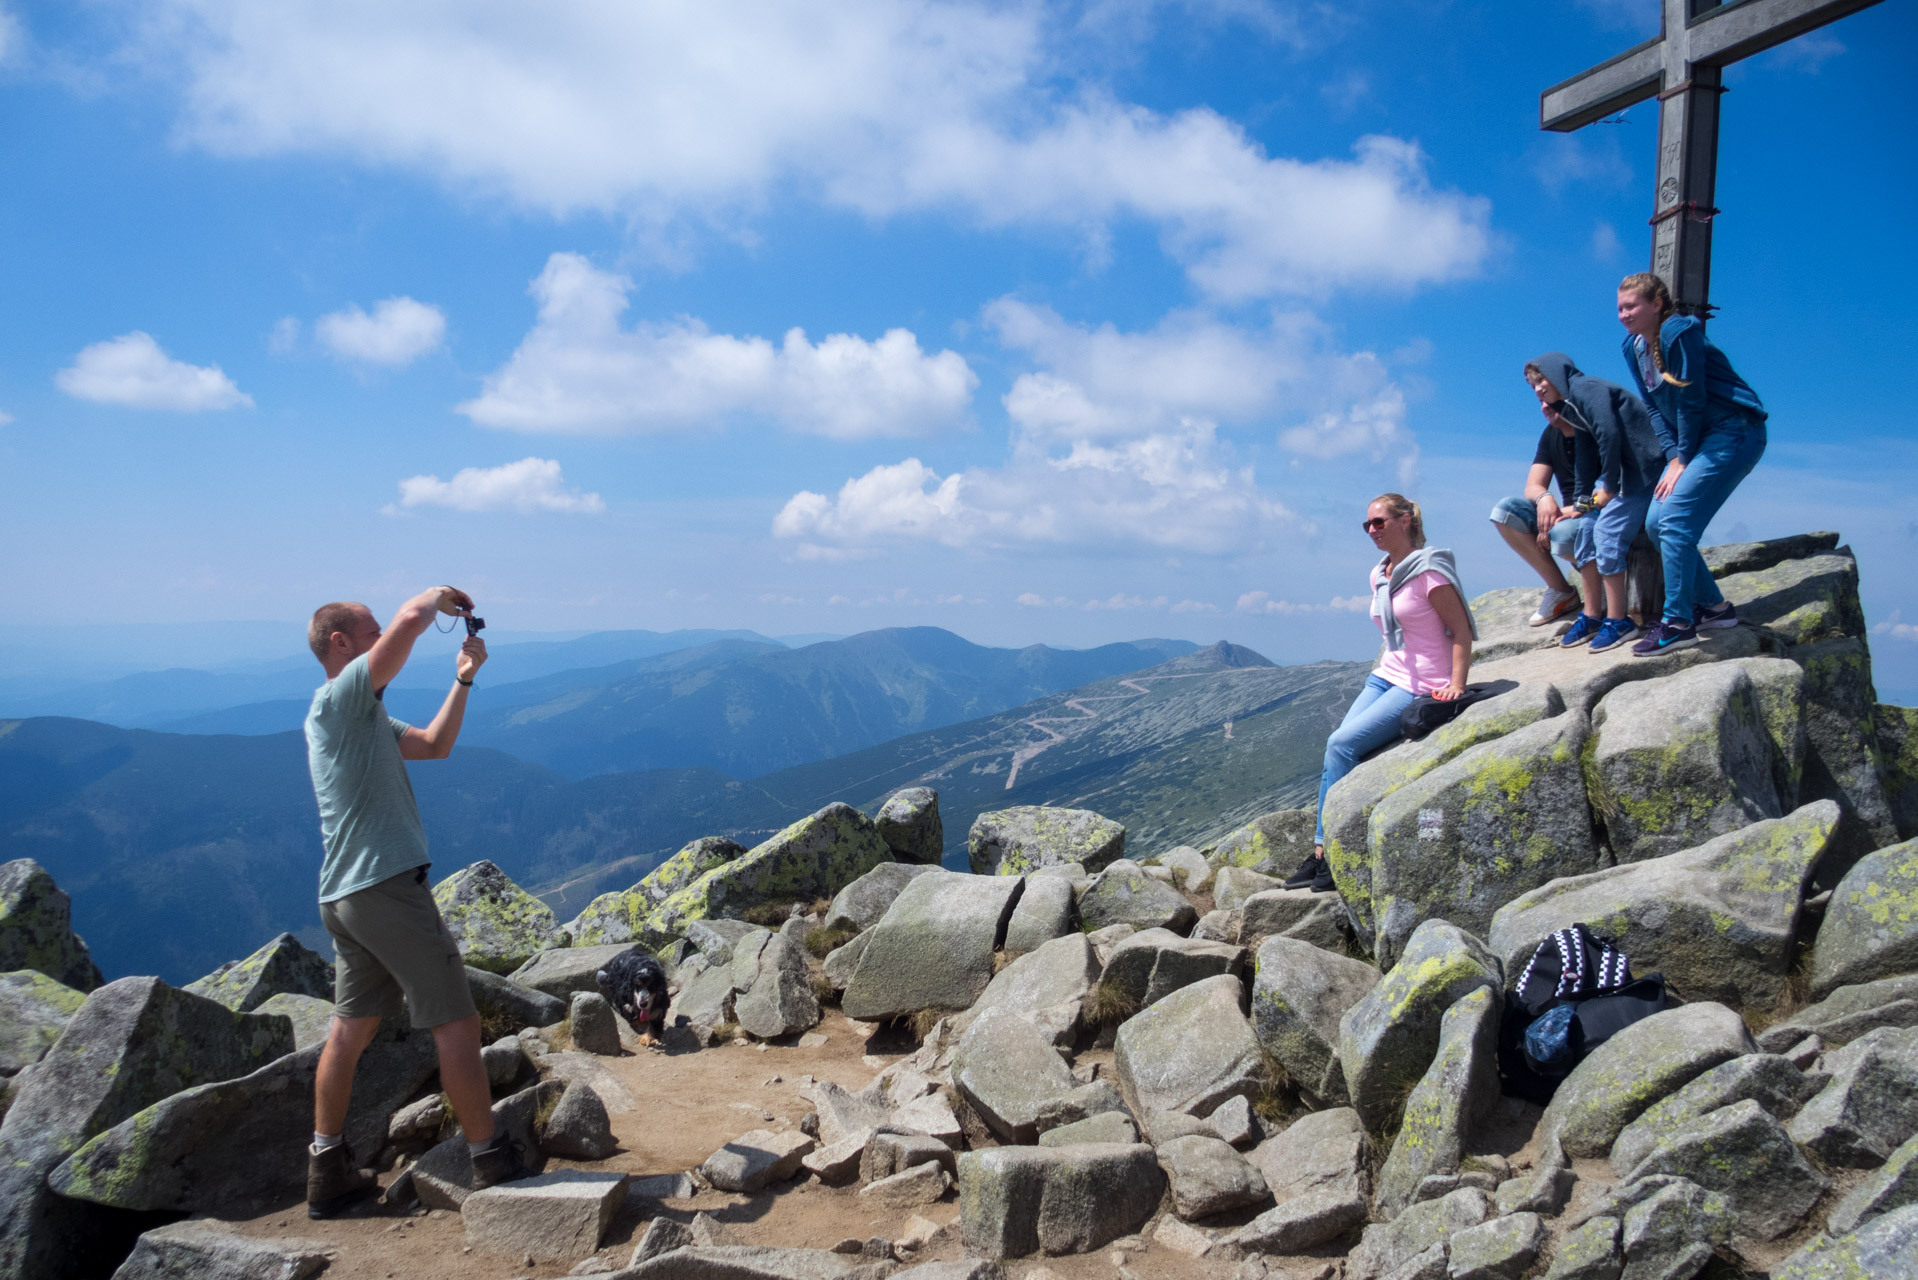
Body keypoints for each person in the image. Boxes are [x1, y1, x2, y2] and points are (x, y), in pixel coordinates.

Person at [302, 586, 527, 1218]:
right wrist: (435, 596)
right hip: (384, 887)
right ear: (340, 644)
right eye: (368, 634)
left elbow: (433, 745)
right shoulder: (340, 697)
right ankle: (488, 1156)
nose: (382, 640)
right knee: (455, 1021)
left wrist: (463, 679)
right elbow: (407, 620)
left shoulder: (360, 716)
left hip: (345, 895)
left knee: (350, 1030)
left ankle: (328, 1168)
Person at [1286, 495, 1478, 893]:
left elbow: (1461, 630)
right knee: (1335, 747)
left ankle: (1330, 857)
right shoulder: (1381, 574)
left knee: (1341, 744)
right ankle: (1322, 849)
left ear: (1405, 521)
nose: (1372, 530)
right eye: (1367, 525)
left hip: (1422, 683)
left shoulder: (1429, 572)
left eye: (1379, 522)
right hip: (1386, 675)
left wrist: (1456, 685)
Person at [1617, 272, 1767, 656]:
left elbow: (1690, 399)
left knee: (1675, 521)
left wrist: (1683, 457)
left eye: (1631, 306)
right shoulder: (1633, 348)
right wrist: (1673, 457)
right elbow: (1654, 408)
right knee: (1654, 524)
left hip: (1734, 431)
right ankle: (1715, 610)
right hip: (1695, 443)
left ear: (1656, 304)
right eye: (1620, 307)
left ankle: (1678, 622)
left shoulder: (1678, 332)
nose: (1624, 314)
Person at [1524, 352, 1669, 653]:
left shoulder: (1586, 389)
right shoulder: (1569, 406)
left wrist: (1610, 488)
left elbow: (1609, 434)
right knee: (1586, 529)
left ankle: (1619, 621)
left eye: (1541, 379)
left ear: (1557, 371)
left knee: (1606, 533)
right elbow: (1587, 454)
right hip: (1615, 480)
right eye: (1532, 385)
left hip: (1642, 472)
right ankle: (1593, 615)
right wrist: (1581, 503)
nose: (1538, 388)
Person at [1488, 372, 1602, 629]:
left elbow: (1612, 489)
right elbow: (1533, 485)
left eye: (1549, 398)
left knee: (1562, 533)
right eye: (1539, 400)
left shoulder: (1595, 427)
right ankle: (1562, 591)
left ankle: (1604, 586)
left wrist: (1564, 513)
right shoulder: (1551, 435)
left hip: (1597, 514)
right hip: (1564, 516)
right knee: (1505, 510)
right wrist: (1544, 499)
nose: (1544, 406)